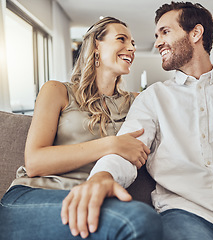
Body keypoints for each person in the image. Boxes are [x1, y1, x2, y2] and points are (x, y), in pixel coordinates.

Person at [64, 2, 213, 240]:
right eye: (156, 35)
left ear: (195, 33)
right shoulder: (153, 98)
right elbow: (127, 150)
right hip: (185, 214)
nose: (158, 42)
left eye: (165, 32)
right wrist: (103, 176)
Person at [0, 17, 163, 240]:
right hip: (34, 195)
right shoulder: (57, 91)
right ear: (97, 46)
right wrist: (111, 144)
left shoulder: (136, 102)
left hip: (89, 198)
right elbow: (36, 162)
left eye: (133, 43)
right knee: (137, 220)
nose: (131, 48)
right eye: (121, 39)